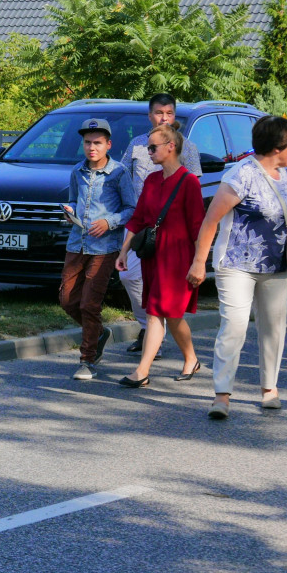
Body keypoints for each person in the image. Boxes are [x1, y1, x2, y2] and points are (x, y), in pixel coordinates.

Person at [187, 116, 287, 419]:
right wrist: (199, 262)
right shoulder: (242, 175)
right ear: (278, 145)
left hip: (276, 265)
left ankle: (269, 389)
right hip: (236, 263)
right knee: (235, 326)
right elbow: (211, 220)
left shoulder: (283, 173)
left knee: (274, 327)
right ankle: (222, 395)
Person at [115, 124, 204, 387]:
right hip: (153, 255)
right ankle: (172, 364)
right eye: (147, 147)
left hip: (178, 258)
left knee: (165, 313)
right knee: (161, 313)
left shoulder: (188, 182)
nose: (148, 151)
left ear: (171, 147)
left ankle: (156, 367)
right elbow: (139, 218)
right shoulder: (152, 180)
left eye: (152, 147)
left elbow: (199, 227)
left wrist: (199, 264)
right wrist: (124, 251)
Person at [59, 119, 137, 380]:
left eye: (97, 143)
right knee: (68, 300)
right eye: (88, 142)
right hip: (77, 242)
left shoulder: (119, 173)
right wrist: (70, 212)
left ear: (108, 145)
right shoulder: (77, 171)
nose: (92, 147)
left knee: (89, 304)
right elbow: (73, 199)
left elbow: (131, 209)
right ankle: (100, 333)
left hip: (105, 247)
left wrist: (109, 222)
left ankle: (87, 360)